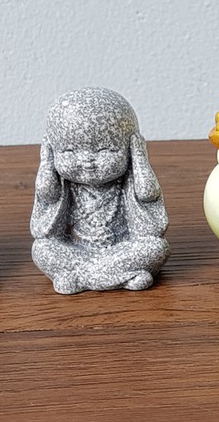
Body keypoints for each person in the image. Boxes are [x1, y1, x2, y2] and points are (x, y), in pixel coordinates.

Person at [31, 87, 170, 293]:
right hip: (77, 250)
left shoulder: (127, 179)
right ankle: (116, 276)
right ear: (53, 150)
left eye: (104, 150)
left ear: (129, 149)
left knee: (156, 247)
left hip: (120, 249)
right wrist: (46, 163)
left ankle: (80, 278)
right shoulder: (64, 183)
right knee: (42, 248)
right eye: (69, 151)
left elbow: (148, 194)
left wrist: (140, 160)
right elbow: (47, 194)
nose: (87, 160)